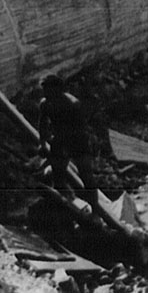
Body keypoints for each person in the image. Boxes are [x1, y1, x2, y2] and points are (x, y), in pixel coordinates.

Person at [37, 75, 99, 213]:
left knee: (86, 175)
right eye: (43, 89)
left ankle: (95, 210)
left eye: (47, 89)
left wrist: (65, 145)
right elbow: (42, 124)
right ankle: (66, 206)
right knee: (58, 175)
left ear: (57, 89)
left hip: (78, 140)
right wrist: (42, 142)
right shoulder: (45, 104)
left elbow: (80, 128)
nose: (45, 93)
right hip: (59, 139)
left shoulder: (72, 104)